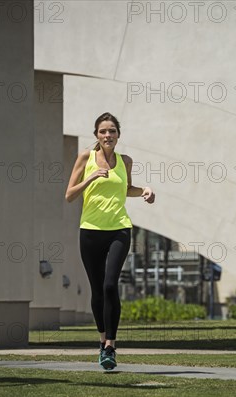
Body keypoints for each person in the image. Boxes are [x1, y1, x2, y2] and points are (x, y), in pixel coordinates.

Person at [65, 112, 155, 370]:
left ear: (118, 135)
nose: (108, 135)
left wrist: (145, 191)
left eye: (112, 131)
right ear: (96, 135)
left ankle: (110, 346)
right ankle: (102, 339)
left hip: (119, 229)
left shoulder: (125, 161)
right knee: (96, 289)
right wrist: (91, 177)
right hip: (90, 231)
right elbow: (70, 194)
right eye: (103, 131)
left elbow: (126, 189)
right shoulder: (86, 157)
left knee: (109, 286)